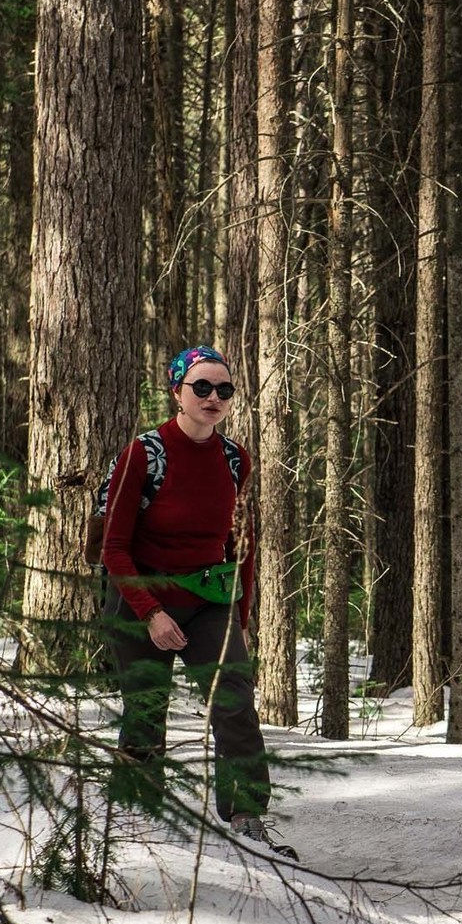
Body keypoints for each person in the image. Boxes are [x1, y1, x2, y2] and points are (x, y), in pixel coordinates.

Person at [99, 346, 286, 856]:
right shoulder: (144, 452)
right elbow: (112, 547)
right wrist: (151, 613)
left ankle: (248, 818)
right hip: (141, 597)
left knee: (235, 703)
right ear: (176, 390)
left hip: (209, 600)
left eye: (223, 389)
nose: (213, 397)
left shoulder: (234, 457)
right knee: (145, 709)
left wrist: (239, 620)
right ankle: (140, 820)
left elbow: (240, 543)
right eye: (201, 387)